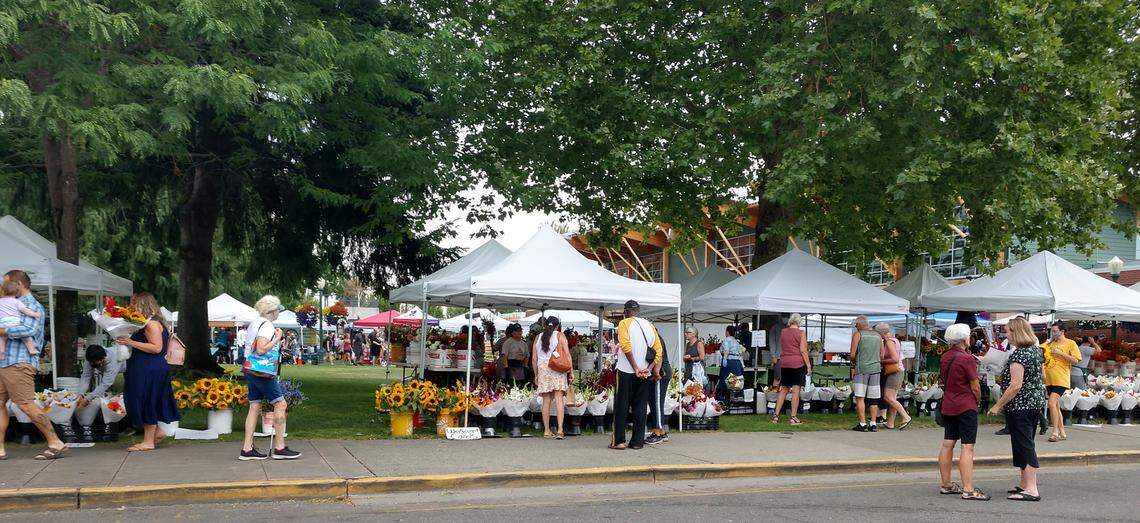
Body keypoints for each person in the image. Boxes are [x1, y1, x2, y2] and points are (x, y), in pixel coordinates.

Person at [0, 270, 67, 460]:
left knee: (25, 404)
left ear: (18, 285)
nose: (3, 288)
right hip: (5, 361)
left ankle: (56, 442)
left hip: (19, 362)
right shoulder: (8, 304)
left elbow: (28, 329)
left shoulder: (31, 305)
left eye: (6, 284)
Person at [988, 317, 1046, 502]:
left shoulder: (1019, 355)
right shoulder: (1036, 351)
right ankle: (1024, 483)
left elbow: (1015, 385)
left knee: (1024, 444)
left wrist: (998, 405)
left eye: (1008, 331)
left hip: (1020, 405)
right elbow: (1042, 376)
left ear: (1016, 332)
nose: (1006, 335)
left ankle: (1031, 489)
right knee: (1025, 442)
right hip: (1034, 403)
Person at [117, 292, 181, 453]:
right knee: (147, 399)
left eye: (133, 303)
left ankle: (148, 441)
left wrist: (130, 342)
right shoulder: (152, 323)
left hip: (148, 367)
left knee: (146, 400)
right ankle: (157, 432)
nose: (131, 307)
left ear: (141, 304)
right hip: (150, 367)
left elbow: (156, 347)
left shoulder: (150, 324)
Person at [239, 295, 301, 461]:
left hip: (250, 369)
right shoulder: (266, 325)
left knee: (254, 406)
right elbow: (260, 349)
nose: (278, 314)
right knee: (281, 404)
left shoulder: (255, 323)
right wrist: (277, 339)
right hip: (262, 371)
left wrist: (274, 342)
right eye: (277, 311)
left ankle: (247, 448)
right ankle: (280, 447)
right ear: (272, 312)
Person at [937, 323, 988, 501]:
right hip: (965, 404)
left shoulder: (945, 356)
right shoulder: (966, 358)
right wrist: (978, 400)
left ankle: (946, 484)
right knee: (967, 447)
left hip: (949, 403)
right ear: (965, 338)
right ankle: (968, 489)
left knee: (947, 443)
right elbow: (975, 385)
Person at [610, 300, 661, 450]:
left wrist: (635, 367)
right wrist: (648, 368)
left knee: (622, 405)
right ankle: (637, 441)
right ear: (638, 311)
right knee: (640, 406)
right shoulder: (649, 325)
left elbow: (625, 346)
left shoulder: (624, 324)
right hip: (644, 372)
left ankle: (619, 441)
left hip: (626, 370)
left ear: (626, 311)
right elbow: (658, 351)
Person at [532, 316, 571, 439]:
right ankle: (560, 430)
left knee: (546, 401)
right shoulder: (560, 335)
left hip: (543, 369)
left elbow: (534, 358)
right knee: (559, 399)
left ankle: (547, 431)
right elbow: (567, 354)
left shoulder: (538, 337)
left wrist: (536, 374)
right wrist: (570, 371)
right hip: (557, 367)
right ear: (557, 326)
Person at [1040, 322, 1080, 442]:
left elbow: (1076, 360)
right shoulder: (1051, 343)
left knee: (1052, 403)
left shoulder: (1070, 343)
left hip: (1061, 379)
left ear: (1062, 331)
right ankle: (1062, 431)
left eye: (1055, 331)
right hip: (1049, 379)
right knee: (1056, 406)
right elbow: (1040, 352)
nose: (1053, 333)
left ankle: (1055, 432)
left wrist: (1060, 353)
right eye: (1052, 331)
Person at [773, 313, 811, 425]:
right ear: (799, 322)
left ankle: (776, 415)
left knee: (783, 389)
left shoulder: (784, 332)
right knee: (796, 390)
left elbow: (783, 346)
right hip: (797, 364)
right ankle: (793, 417)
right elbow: (803, 350)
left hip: (784, 363)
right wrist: (808, 365)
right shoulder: (801, 333)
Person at [876, 323, 912, 430]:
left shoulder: (889, 341)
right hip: (898, 371)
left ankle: (906, 416)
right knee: (893, 398)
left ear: (881, 333)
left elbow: (895, 359)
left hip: (895, 372)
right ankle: (890, 423)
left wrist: (880, 361)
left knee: (888, 397)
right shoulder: (894, 340)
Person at [849, 316, 882, 432]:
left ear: (859, 324)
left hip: (861, 368)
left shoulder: (858, 335)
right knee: (873, 398)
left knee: (860, 396)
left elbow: (852, 354)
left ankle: (862, 424)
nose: (855, 326)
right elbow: (882, 355)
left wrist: (854, 361)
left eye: (856, 324)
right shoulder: (878, 336)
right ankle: (873, 423)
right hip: (876, 369)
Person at [0, 280, 41, 356]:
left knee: (2, 339)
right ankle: (31, 349)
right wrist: (34, 314)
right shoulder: (17, 302)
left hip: (2, 323)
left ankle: (1, 352)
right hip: (14, 322)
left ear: (3, 291)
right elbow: (25, 310)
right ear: (16, 292)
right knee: (26, 338)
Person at [647, 323, 672, 445]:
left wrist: (656, 372)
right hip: (663, 371)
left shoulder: (655, 338)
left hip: (661, 372)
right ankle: (662, 432)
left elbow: (659, 355)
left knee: (656, 402)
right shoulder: (658, 337)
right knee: (655, 402)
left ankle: (657, 432)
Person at [77, 344, 123, 409]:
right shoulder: (90, 358)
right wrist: (80, 394)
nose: (92, 364)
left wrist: (88, 398)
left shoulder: (113, 360)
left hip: (130, 364)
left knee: (129, 391)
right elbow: (85, 376)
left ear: (103, 359)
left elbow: (106, 383)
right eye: (91, 362)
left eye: (94, 362)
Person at [717, 325, 745, 402]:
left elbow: (726, 350)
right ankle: (736, 397)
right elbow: (740, 351)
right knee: (736, 380)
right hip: (737, 361)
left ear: (727, 332)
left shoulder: (726, 340)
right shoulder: (736, 341)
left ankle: (723, 398)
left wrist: (725, 359)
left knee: (725, 379)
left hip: (729, 360)